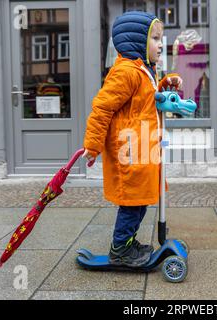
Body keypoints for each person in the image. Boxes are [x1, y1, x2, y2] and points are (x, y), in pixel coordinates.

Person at [82, 12, 183, 267]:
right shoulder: (126, 72)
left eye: (161, 39)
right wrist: (92, 146)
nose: (161, 45)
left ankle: (127, 243)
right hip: (130, 153)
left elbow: (149, 99)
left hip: (143, 149)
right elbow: (102, 108)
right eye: (156, 39)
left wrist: (166, 83)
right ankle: (120, 250)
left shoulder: (144, 71)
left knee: (141, 201)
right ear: (138, 41)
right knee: (131, 204)